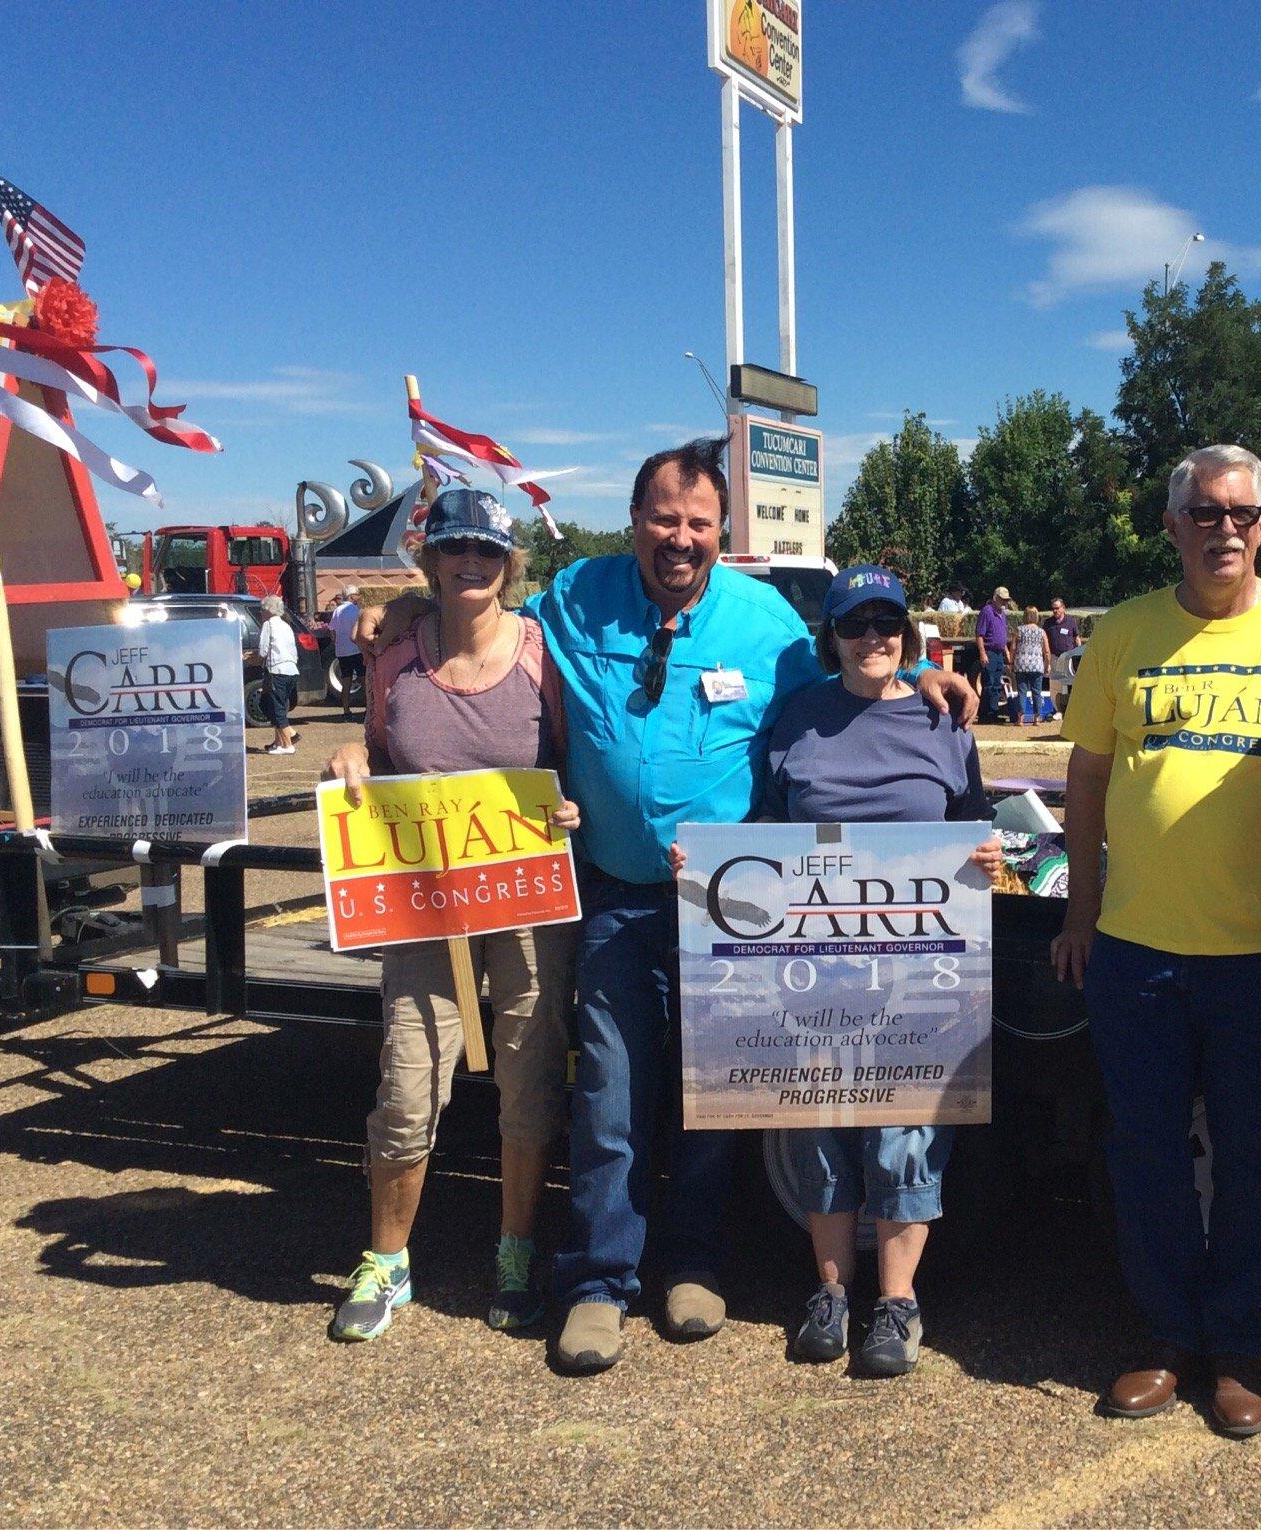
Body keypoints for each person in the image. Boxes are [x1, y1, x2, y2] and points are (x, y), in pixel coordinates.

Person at [355, 437, 975, 1377]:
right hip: (612, 892)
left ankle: (692, 1265)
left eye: (697, 523)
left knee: (711, 1099)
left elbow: (849, 689)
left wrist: (920, 678)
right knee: (610, 1092)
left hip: (730, 905)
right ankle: (598, 1282)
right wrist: (405, 607)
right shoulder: (578, 596)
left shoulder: (766, 620)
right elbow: (483, 616)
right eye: (662, 520)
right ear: (636, 520)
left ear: (721, 530)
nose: (678, 539)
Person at [1052, 444, 1261, 1438]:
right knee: (1144, 1152)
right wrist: (1077, 908)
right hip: (1137, 949)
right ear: (1172, 525)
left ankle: (1235, 1348)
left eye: (1241, 512)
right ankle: (1163, 1340)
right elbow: (1091, 777)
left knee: (1254, 1157)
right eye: (1202, 512)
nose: (1222, 528)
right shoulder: (1125, 634)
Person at [671, 564, 1000, 1377]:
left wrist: (989, 853)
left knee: (905, 1132)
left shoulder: (942, 722)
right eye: (856, 624)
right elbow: (761, 829)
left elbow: (974, 823)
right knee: (815, 1122)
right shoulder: (798, 720)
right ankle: (828, 1292)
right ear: (833, 636)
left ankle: (896, 1304)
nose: (873, 639)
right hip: (810, 963)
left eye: (888, 623)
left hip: (922, 965)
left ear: (910, 635)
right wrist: (704, 866)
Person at [321, 489, 582, 1343]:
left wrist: (572, 810)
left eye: (489, 550)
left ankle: (515, 1252)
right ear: (430, 559)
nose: (472, 563)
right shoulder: (398, 655)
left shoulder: (545, 655)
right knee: (404, 1085)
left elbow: (576, 768)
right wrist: (356, 752)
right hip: (423, 906)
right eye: (456, 547)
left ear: (511, 563)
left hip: (526, 906)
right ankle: (387, 1261)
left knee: (528, 1083)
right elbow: (381, 748)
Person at [256, 594, 300, 755]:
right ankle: (279, 741)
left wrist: (254, 659)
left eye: (262, 610)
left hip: (276, 670)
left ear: (268, 611)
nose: (260, 613)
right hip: (291, 670)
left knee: (275, 708)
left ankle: (288, 744)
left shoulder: (269, 625)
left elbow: (263, 650)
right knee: (270, 704)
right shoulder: (286, 625)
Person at [977, 585, 1015, 724]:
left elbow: (1002, 635)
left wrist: (1006, 651)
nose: (1005, 603)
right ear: (995, 598)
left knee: (997, 685)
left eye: (1006, 600)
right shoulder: (987, 612)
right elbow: (980, 635)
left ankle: (993, 712)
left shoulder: (1002, 614)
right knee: (989, 684)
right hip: (989, 652)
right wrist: (982, 653)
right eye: (1003, 600)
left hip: (999, 653)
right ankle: (985, 714)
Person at [330, 584, 365, 722]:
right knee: (364, 679)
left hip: (342, 651)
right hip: (355, 649)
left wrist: (337, 642)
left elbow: (332, 630)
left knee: (346, 681)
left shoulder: (337, 611)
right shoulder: (355, 610)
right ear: (351, 596)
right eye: (357, 594)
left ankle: (346, 710)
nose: (359, 596)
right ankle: (369, 708)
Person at [1012, 607, 1051, 726]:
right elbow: (1047, 651)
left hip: (1021, 665)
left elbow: (1013, 648)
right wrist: (1047, 665)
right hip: (1036, 665)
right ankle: (1037, 718)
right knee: (1037, 692)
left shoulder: (1018, 630)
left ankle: (1020, 719)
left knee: (1022, 692)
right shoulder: (1041, 632)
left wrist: (1011, 662)